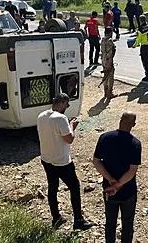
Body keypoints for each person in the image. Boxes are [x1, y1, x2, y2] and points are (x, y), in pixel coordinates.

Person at [36, 93, 93, 230]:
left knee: (52, 188)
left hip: (46, 158)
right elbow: (69, 139)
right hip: (61, 161)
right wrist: (72, 125)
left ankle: (56, 218)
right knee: (74, 187)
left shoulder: (41, 116)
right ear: (62, 103)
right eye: (67, 105)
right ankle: (78, 220)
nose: (67, 107)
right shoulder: (61, 119)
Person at [92, 112, 141, 243]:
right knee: (127, 224)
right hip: (128, 191)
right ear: (133, 125)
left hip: (109, 190)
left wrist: (110, 180)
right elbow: (132, 170)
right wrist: (119, 184)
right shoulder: (135, 143)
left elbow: (96, 161)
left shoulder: (105, 137)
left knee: (110, 223)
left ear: (120, 120)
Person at [101, 27, 116, 99]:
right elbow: (110, 53)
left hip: (103, 59)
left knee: (105, 75)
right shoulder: (110, 41)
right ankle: (109, 92)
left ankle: (105, 92)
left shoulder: (103, 40)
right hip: (108, 60)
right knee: (110, 76)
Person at [136, 16, 148, 81]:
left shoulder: (140, 29)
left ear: (140, 20)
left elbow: (139, 39)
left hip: (144, 46)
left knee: (145, 61)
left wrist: (135, 45)